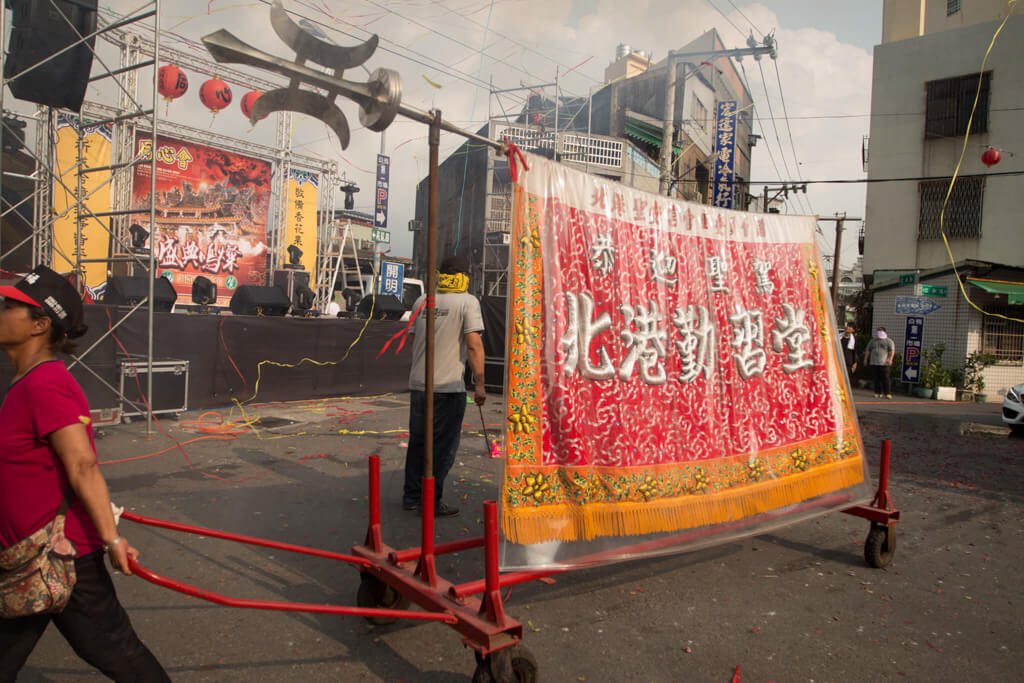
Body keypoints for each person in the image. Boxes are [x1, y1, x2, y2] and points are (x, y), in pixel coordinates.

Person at [0, 266, 169, 682]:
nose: (0, 310)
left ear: (40, 325)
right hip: (26, 559)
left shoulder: (46, 385)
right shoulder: (26, 383)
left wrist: (112, 538)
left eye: (10, 306)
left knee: (121, 656)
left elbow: (81, 465)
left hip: (61, 558)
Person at [402, 256, 485, 517]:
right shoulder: (467, 302)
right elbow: (474, 345)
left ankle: (412, 496)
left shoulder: (421, 300)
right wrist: (480, 383)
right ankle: (431, 500)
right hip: (448, 387)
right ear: (464, 275)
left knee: (418, 442)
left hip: (419, 384)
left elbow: (413, 340)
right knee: (443, 446)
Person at [863, 326, 896, 399]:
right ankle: (877, 392)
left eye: (880, 331)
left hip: (884, 363)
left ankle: (887, 393)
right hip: (874, 362)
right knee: (876, 378)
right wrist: (865, 359)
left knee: (885, 378)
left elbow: (892, 351)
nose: (879, 333)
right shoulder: (873, 341)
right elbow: (868, 350)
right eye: (878, 331)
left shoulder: (888, 341)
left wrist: (890, 359)